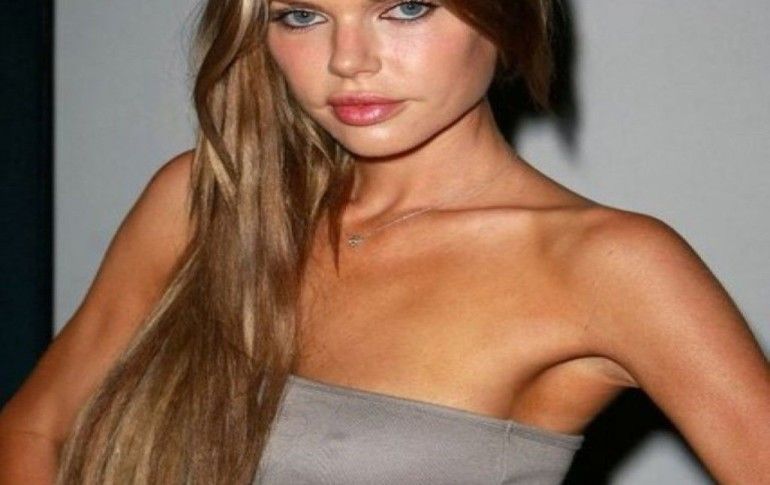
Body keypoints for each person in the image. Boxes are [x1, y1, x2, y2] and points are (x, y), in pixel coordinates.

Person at [1, 0, 769, 483]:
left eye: (406, 7)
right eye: (302, 16)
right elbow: (35, 427)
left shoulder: (607, 264)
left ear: (506, 18)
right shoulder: (205, 203)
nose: (349, 61)